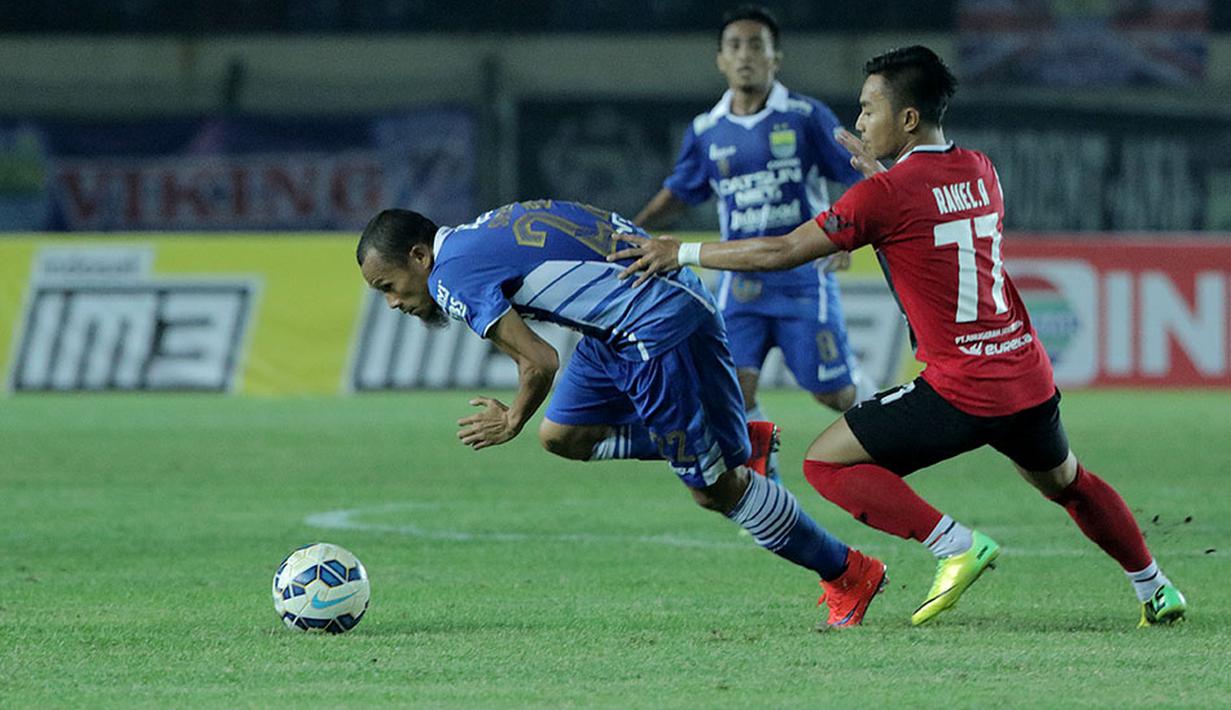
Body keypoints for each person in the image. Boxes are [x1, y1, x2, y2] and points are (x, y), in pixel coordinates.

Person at [609, 46, 1187, 628]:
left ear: (907, 118)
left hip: (962, 387)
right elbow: (925, 218)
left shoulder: (883, 197)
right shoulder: (980, 169)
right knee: (1068, 482)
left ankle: (955, 544)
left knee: (826, 465)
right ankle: (1156, 587)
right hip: (1024, 374)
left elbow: (782, 250)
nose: (859, 123)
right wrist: (884, 181)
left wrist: (679, 251)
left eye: (869, 109)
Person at [355, 199, 887, 628]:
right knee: (563, 435)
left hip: (650, 331)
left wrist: (511, 418)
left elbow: (539, 361)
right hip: (636, 318)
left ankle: (848, 572)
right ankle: (735, 441)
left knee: (715, 490)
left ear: (420, 256)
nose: (393, 303)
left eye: (388, 287)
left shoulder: (450, 276)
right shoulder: (484, 227)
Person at [633, 5, 875, 463]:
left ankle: (884, 414)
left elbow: (860, 171)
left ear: (775, 58)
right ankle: (766, 485)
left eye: (756, 46)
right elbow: (680, 192)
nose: (745, 55)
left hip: (803, 278)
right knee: (732, 394)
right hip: (740, 284)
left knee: (833, 394)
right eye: (735, 46)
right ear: (720, 59)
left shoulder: (805, 116)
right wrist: (633, 228)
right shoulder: (706, 130)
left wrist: (849, 231)